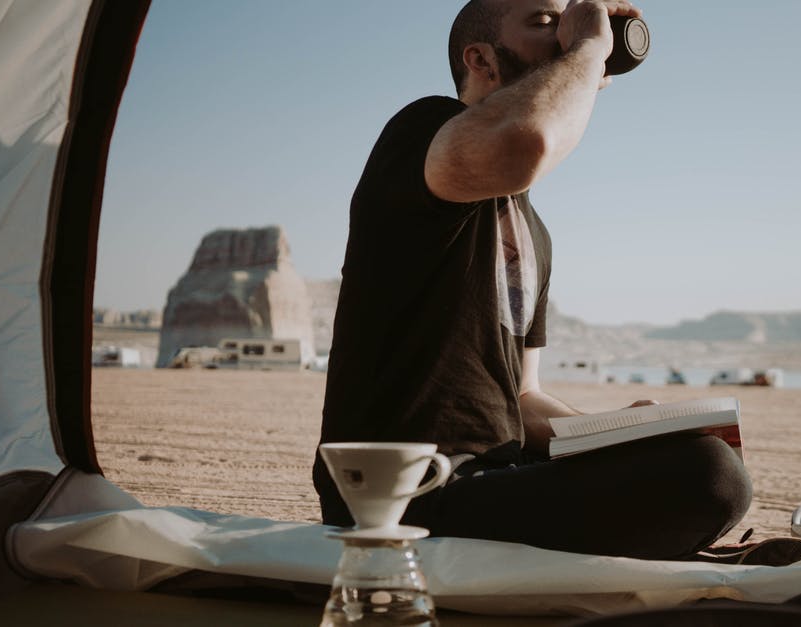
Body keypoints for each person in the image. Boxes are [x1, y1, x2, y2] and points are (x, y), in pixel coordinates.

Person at [313, 0, 752, 560]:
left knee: (702, 457)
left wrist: (618, 428)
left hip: (495, 477)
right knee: (708, 476)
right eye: (547, 21)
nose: (567, 32)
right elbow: (526, 142)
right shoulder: (420, 128)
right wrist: (591, 48)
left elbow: (520, 395)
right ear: (482, 59)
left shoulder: (532, 229)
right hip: (401, 489)